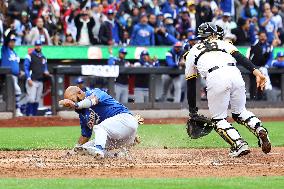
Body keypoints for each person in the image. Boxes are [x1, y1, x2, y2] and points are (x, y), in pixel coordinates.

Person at [185, 22, 271, 157]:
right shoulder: (223, 43)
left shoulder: (192, 51)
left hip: (215, 76)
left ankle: (239, 144)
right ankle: (259, 128)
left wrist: (192, 110)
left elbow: (191, 83)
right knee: (240, 112)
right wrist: (257, 72)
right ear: (213, 34)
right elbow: (241, 58)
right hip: (235, 73)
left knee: (218, 119)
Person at [59, 86, 140, 158]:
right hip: (120, 138)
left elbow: (92, 101)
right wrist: (74, 151)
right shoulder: (82, 113)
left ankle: (98, 150)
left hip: (126, 120)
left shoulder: (94, 92)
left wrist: (75, 105)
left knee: (99, 127)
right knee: (83, 149)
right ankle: (116, 156)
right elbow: (85, 136)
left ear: (79, 93)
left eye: (73, 100)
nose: (72, 105)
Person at [24, 40, 49, 116]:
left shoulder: (43, 57)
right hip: (32, 80)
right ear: (34, 46)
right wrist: (28, 78)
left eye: (39, 45)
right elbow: (26, 67)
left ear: (41, 46)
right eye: (37, 45)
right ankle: (28, 116)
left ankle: (34, 117)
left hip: (40, 81)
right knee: (31, 99)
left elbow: (45, 68)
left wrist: (46, 72)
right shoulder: (29, 55)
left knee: (37, 99)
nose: (38, 46)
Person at [0, 30, 23, 116]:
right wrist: (10, 33)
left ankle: (14, 110)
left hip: (15, 76)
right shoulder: (5, 49)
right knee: (17, 91)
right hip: (7, 76)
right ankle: (17, 110)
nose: (12, 43)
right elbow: (5, 40)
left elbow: (15, 64)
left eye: (13, 42)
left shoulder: (14, 53)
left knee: (11, 93)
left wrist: (19, 71)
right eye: (11, 41)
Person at [249, 31, 274, 100]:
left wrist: (266, 65)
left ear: (266, 37)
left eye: (264, 36)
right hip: (254, 68)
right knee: (253, 84)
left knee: (261, 85)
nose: (263, 37)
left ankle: (260, 100)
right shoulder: (255, 45)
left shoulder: (269, 47)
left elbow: (271, 58)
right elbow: (250, 57)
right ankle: (252, 99)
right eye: (261, 36)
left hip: (263, 68)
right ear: (259, 37)